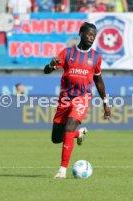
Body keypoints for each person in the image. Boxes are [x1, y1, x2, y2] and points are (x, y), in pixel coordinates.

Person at [44, 22, 111, 179]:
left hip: (83, 97)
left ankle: (62, 170)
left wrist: (106, 103)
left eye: (94, 35)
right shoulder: (67, 53)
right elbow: (46, 71)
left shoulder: (96, 57)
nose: (91, 37)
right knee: (56, 138)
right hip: (65, 99)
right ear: (81, 34)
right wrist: (50, 65)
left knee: (70, 125)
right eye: (88, 34)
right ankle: (78, 133)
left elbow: (99, 81)